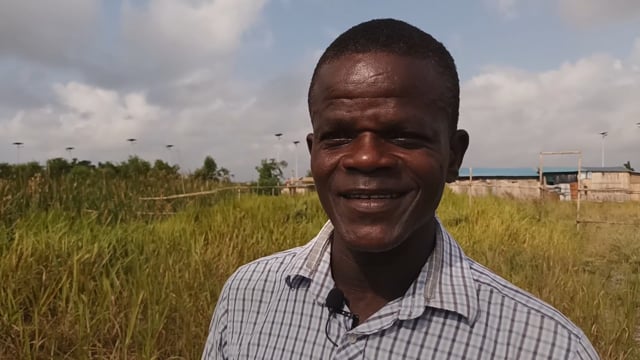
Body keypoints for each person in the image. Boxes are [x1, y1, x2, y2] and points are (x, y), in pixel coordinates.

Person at [202, 18, 599, 359]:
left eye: (404, 136)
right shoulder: (247, 296)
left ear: (453, 157)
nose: (366, 159)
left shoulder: (545, 346)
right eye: (338, 137)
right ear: (313, 153)